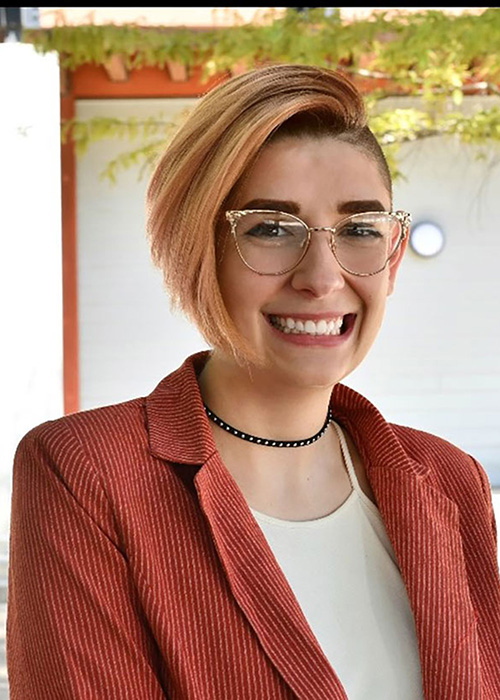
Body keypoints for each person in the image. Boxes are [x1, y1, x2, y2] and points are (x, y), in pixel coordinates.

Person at [7, 63, 500, 700]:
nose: (322, 277)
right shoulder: (86, 474)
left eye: (358, 230)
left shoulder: (448, 478)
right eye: (270, 228)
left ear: (393, 257)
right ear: (197, 249)